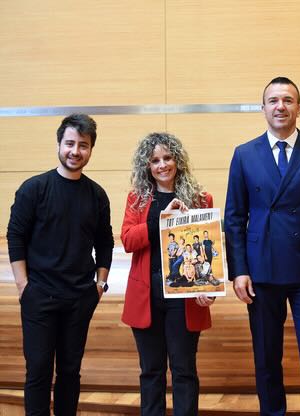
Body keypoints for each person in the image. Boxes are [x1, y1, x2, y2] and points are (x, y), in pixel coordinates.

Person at [224, 76, 300, 416]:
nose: (280, 106)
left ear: (299, 108)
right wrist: (239, 271)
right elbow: (234, 218)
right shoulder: (244, 155)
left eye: (288, 100)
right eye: (273, 100)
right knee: (266, 357)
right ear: (263, 108)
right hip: (260, 272)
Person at [7, 114, 114, 415]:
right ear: (59, 144)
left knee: (70, 371)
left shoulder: (97, 195)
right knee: (38, 370)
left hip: (80, 297)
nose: (75, 151)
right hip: (39, 295)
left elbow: (105, 242)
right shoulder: (34, 188)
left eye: (83, 145)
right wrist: (23, 286)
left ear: (91, 149)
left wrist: (100, 285)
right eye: (70, 143)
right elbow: (15, 236)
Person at [120, 132, 215, 415]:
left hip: (184, 299)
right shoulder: (137, 200)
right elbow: (128, 241)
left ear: (178, 160)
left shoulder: (200, 199)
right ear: (147, 166)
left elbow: (208, 251)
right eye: (155, 160)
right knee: (151, 371)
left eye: (168, 158)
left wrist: (208, 289)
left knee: (184, 370)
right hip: (147, 297)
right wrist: (161, 220)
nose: (162, 165)